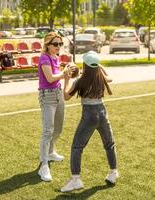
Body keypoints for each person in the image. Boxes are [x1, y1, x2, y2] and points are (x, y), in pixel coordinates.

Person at [61, 51, 119, 192]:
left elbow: (66, 97)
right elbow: (110, 77)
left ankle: (76, 180)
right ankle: (113, 172)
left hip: (89, 115)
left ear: (85, 65)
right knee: (109, 144)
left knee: (77, 147)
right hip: (102, 112)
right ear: (96, 66)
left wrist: (66, 79)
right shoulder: (101, 77)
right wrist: (100, 66)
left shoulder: (80, 80)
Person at [37, 32, 71, 182]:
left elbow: (57, 77)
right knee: (48, 130)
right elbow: (50, 78)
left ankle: (51, 152)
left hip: (57, 94)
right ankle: (44, 165)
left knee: (58, 128)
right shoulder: (44, 58)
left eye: (60, 44)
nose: (58, 47)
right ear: (47, 45)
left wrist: (67, 75)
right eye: (55, 44)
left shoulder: (56, 58)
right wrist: (64, 73)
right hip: (47, 96)